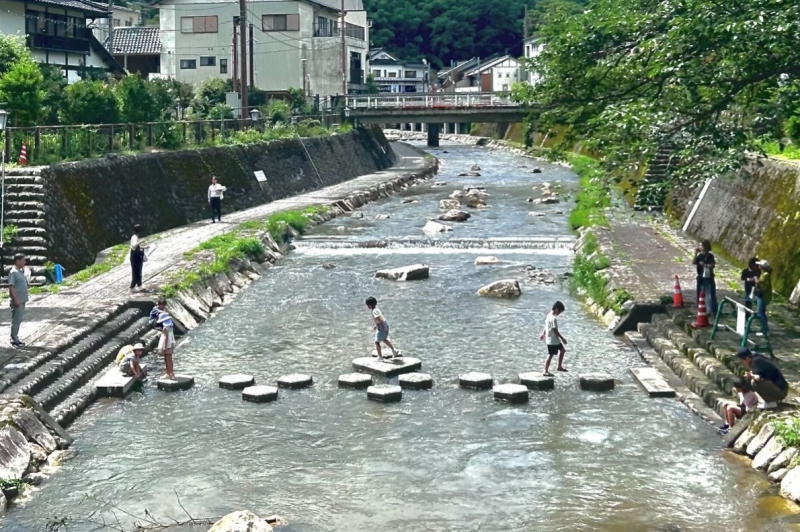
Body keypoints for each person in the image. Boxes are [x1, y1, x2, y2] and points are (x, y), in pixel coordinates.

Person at [149, 297, 176, 379]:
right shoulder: (170, 326)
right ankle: (169, 373)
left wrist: (164, 346)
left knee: (167, 358)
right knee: (169, 358)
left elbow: (166, 337)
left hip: (167, 343)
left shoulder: (166, 328)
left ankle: (170, 373)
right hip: (171, 342)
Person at [539, 301, 568, 376]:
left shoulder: (549, 315)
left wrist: (543, 333)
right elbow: (555, 330)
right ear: (556, 309)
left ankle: (559, 366)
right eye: (560, 312)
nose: (559, 314)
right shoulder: (553, 318)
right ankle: (545, 370)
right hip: (552, 340)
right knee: (550, 354)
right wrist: (562, 339)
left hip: (554, 339)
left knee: (562, 350)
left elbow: (546, 326)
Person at [7, 253, 29, 348]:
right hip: (17, 300)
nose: (25, 262)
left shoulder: (21, 271)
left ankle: (16, 337)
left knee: (19, 320)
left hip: (22, 299)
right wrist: (15, 299)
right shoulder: (13, 272)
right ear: (18, 261)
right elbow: (11, 287)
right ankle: (13, 339)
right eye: (23, 260)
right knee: (16, 320)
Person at [692, 239, 717, 315]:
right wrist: (695, 254)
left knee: (710, 293)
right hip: (700, 276)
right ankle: (701, 307)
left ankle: (711, 309)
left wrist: (705, 265)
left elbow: (713, 265)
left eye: (701, 245)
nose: (700, 247)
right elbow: (694, 262)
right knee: (700, 293)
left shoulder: (710, 256)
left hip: (708, 276)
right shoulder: (700, 255)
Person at [754, 259, 773, 334]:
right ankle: (764, 327)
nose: (758, 266)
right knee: (761, 312)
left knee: (760, 312)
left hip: (763, 296)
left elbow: (764, 286)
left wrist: (757, 281)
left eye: (759, 265)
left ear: (762, 267)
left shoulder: (766, 275)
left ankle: (764, 329)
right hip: (762, 295)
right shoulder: (763, 274)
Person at [130, 224, 148, 290]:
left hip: (136, 257)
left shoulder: (134, 237)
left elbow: (135, 247)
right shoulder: (134, 237)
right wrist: (141, 241)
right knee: (136, 271)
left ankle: (138, 285)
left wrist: (144, 247)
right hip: (135, 257)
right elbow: (134, 246)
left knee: (138, 271)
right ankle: (133, 286)